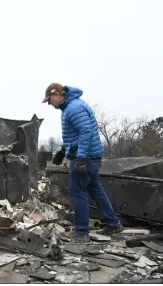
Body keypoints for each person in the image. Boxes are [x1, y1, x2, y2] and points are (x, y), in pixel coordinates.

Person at [41, 83, 123, 242]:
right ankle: (114, 224)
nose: (50, 104)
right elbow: (75, 135)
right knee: (95, 189)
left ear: (57, 94)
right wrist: (63, 151)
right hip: (91, 156)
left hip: (86, 157)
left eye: (49, 100)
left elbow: (86, 132)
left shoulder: (74, 108)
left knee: (78, 192)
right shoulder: (70, 107)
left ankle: (81, 231)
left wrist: (81, 158)